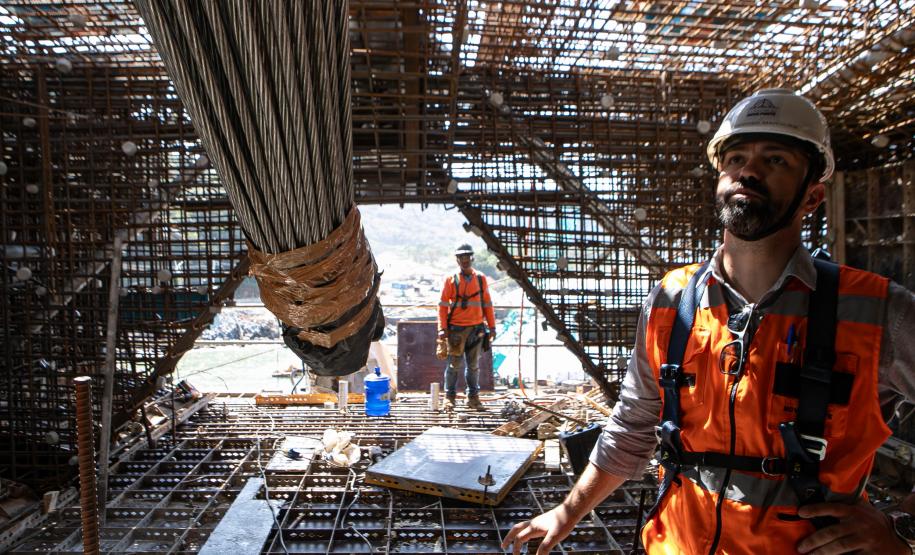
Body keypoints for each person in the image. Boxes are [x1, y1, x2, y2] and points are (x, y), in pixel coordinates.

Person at [502, 88, 915, 554]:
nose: (749, 171)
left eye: (775, 160)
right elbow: (633, 426)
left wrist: (899, 524)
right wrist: (568, 511)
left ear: (813, 196)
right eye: (736, 158)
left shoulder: (879, 311)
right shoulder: (673, 299)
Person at [438, 243, 497, 411]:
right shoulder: (451, 280)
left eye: (467, 257)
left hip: (476, 330)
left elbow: (487, 304)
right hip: (457, 330)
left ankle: (473, 398)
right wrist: (442, 329)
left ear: (472, 258)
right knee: (453, 366)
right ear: (457, 260)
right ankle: (449, 399)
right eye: (461, 258)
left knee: (473, 366)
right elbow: (442, 305)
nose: (465, 261)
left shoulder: (480, 279)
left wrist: (491, 326)